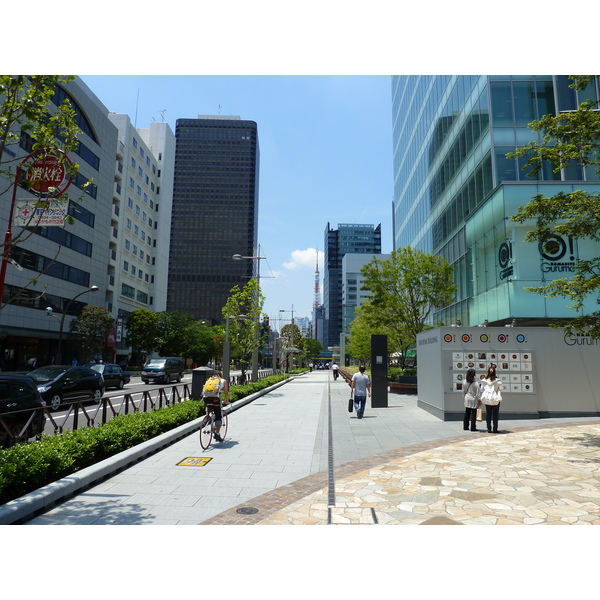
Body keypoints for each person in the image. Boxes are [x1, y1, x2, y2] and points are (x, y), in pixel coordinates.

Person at [202, 370, 229, 442]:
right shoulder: (223, 381)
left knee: (208, 404)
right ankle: (217, 434)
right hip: (215, 400)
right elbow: (226, 391)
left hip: (206, 399)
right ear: (220, 375)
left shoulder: (209, 380)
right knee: (218, 416)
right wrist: (226, 400)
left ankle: (207, 416)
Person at [480, 364, 504, 433]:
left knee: (488, 414)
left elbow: (482, 388)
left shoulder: (484, 381)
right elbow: (501, 389)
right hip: (495, 398)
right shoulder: (498, 381)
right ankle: (495, 428)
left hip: (487, 399)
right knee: (495, 414)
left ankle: (488, 428)